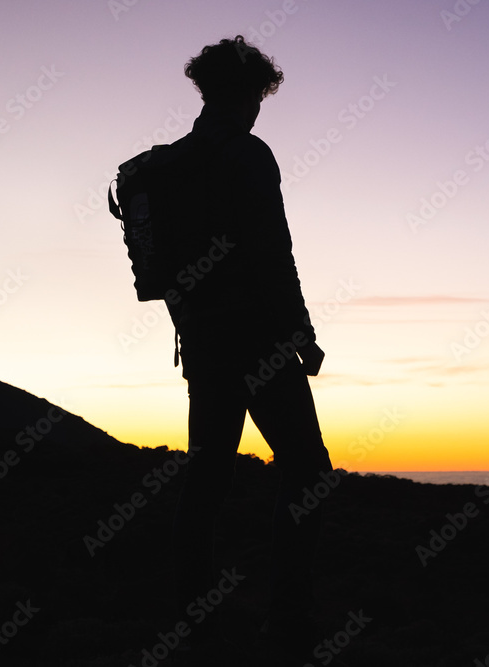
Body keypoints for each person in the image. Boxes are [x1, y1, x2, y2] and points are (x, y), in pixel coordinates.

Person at [166, 35, 333, 660]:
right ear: (251, 94)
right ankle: (288, 620)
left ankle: (193, 620)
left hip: (202, 343)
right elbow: (271, 253)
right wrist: (301, 336)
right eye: (261, 94)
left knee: (206, 479)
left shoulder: (175, 161)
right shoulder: (248, 155)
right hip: (255, 340)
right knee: (309, 471)